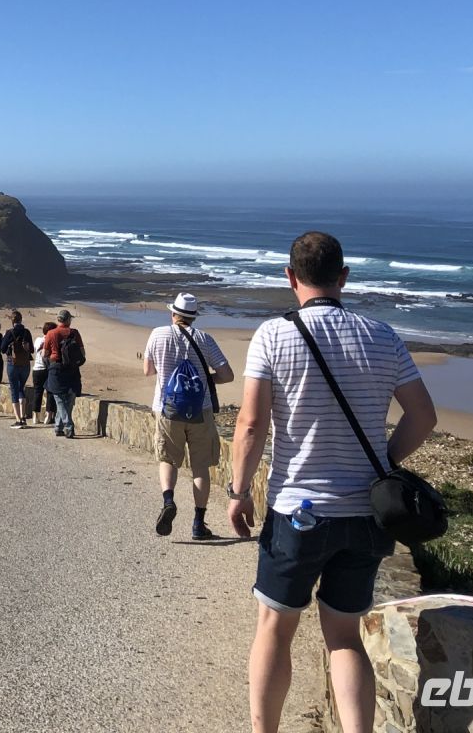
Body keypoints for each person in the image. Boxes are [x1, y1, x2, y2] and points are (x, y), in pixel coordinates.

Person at [227, 232, 437, 733]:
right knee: (344, 637)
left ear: (290, 276)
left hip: (297, 513)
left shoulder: (272, 335)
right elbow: (423, 417)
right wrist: (382, 460)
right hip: (366, 515)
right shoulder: (382, 336)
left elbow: (251, 425)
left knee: (274, 629)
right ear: (343, 277)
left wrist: (238, 491)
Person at [143, 292, 235, 540]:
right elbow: (227, 375)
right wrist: (204, 380)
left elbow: (148, 370)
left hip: (167, 408)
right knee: (200, 467)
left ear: (173, 313)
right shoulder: (205, 339)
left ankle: (168, 500)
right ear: (193, 317)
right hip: (200, 409)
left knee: (168, 458)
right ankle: (198, 523)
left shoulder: (158, 334)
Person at [42, 310, 85, 437]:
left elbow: (44, 354)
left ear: (58, 319)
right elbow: (82, 352)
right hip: (72, 368)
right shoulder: (74, 333)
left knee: (60, 399)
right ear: (68, 320)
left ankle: (62, 426)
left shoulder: (51, 333)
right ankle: (65, 426)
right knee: (69, 399)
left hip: (56, 368)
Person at [0, 310, 34, 428]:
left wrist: (6, 340)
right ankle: (23, 418)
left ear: (12, 320)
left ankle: (18, 420)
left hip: (12, 364)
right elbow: (32, 350)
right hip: (25, 364)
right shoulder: (27, 332)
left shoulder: (9, 332)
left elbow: (2, 349)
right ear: (21, 319)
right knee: (21, 388)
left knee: (14, 390)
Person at [32, 321, 56, 426]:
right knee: (50, 392)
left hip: (37, 369)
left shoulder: (38, 340)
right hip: (48, 369)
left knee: (37, 392)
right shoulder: (52, 341)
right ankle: (48, 416)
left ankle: (35, 416)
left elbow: (35, 350)